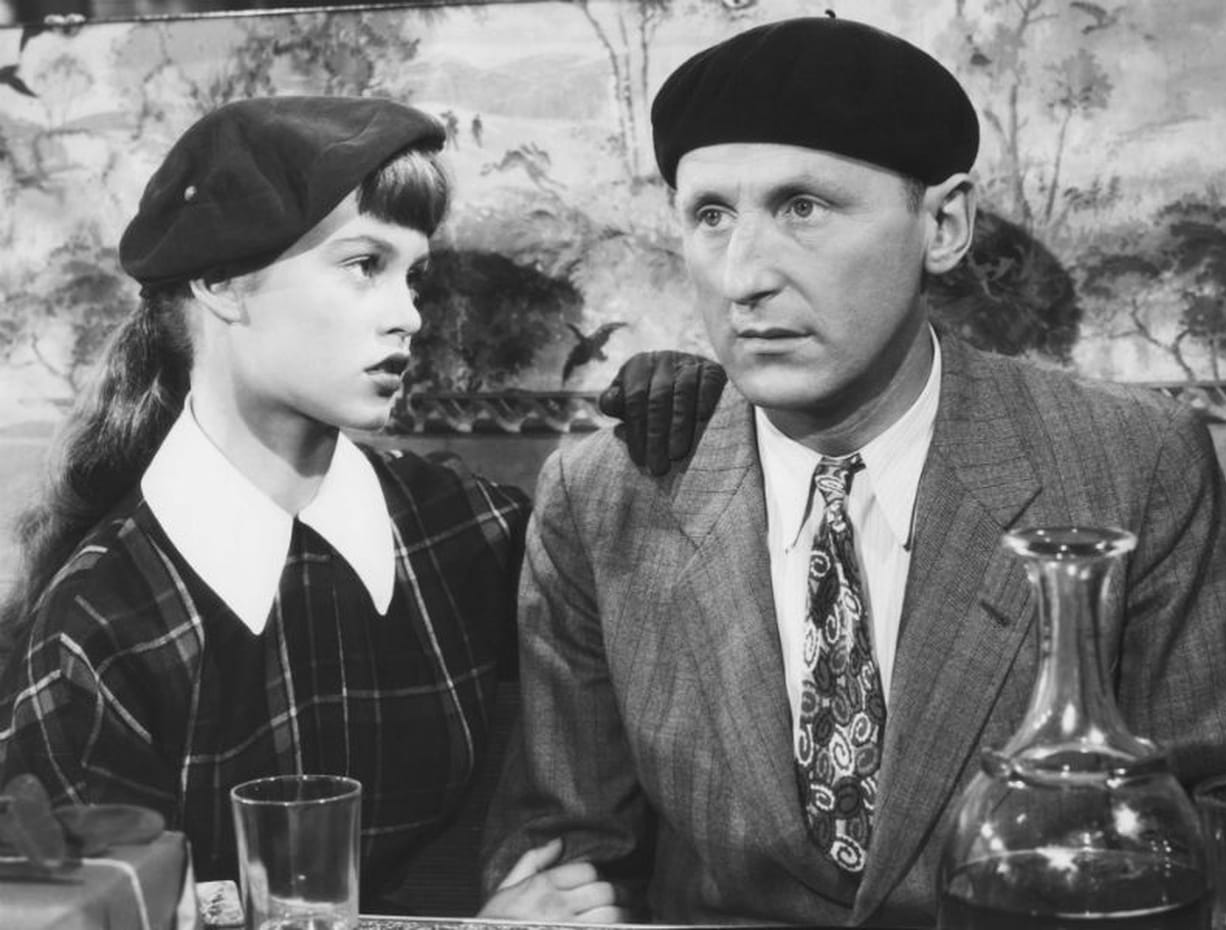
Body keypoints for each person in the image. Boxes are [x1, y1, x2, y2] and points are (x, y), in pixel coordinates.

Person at [480, 15, 1226, 925]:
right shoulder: (603, 496)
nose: (743, 277)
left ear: (943, 225)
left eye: (803, 207)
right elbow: (566, 853)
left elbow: (1211, 836)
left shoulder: (1131, 463)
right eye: (711, 216)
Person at [0, 95, 720, 919]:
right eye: (364, 264)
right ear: (221, 282)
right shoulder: (98, 627)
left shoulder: (467, 528)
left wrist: (700, 424)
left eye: (412, 276)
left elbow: (652, 665)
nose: (408, 315)